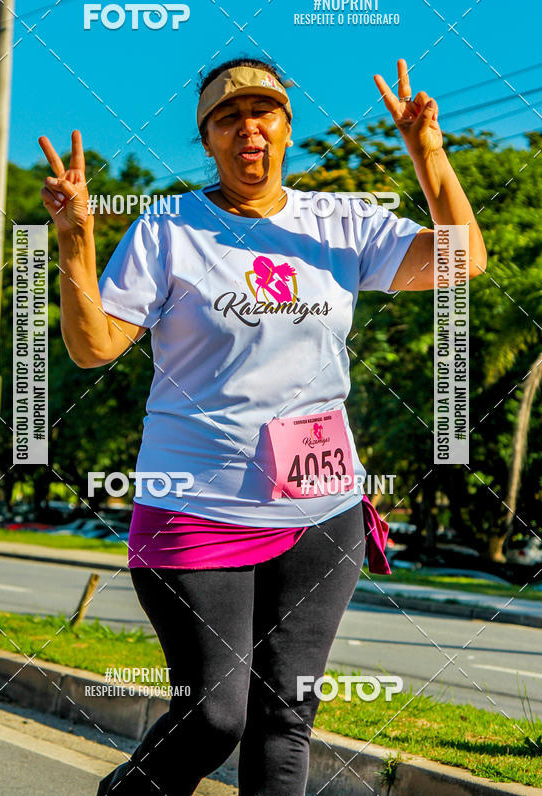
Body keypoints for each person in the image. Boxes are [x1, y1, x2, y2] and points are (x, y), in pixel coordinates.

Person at [38, 57, 486, 795]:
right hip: (194, 506)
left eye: (265, 112)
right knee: (215, 717)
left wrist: (427, 151)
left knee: (286, 717)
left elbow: (460, 260)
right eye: (227, 117)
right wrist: (75, 240)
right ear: (208, 140)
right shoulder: (171, 228)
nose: (249, 127)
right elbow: (93, 347)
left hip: (322, 510)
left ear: (285, 128)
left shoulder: (341, 223)